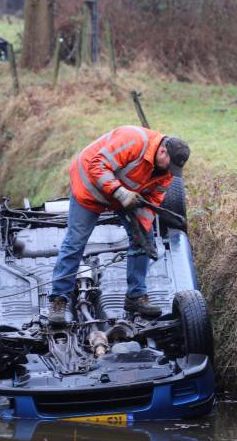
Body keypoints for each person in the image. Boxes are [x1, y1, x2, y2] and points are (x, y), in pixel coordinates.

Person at [48, 125, 190, 325]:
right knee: (75, 241)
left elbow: (154, 198)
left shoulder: (167, 171)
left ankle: (135, 297)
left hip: (123, 193)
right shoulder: (133, 140)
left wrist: (142, 229)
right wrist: (120, 192)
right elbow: (96, 166)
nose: (170, 170)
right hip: (89, 188)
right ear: (162, 150)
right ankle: (59, 300)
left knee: (143, 238)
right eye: (170, 164)